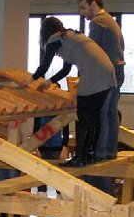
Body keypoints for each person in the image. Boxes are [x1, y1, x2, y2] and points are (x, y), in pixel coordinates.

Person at [30, 17, 116, 168]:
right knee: (94, 118)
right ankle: (90, 155)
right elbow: (66, 70)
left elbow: (44, 66)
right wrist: (48, 82)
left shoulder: (54, 39)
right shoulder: (69, 38)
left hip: (93, 74)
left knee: (82, 117)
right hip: (108, 73)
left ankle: (80, 157)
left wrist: (30, 80)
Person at [78, 0, 125, 162]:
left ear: (93, 4)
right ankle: (110, 151)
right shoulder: (111, 20)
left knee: (101, 112)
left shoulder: (97, 22)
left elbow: (91, 52)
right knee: (111, 112)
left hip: (106, 73)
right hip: (118, 69)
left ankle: (100, 153)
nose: (82, 13)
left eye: (84, 8)